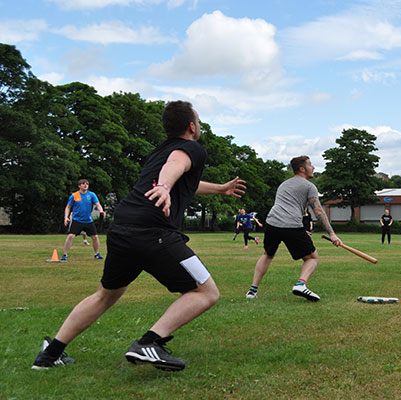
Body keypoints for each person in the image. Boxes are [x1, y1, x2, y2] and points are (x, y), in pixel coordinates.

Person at [31, 101, 246, 372]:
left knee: (105, 295)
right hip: (152, 231)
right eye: (199, 120)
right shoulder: (191, 149)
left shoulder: (160, 151)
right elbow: (176, 165)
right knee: (206, 292)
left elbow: (182, 176)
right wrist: (165, 187)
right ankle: (150, 343)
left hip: (122, 229)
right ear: (192, 126)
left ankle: (49, 355)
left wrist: (220, 189)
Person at [245, 156, 342, 302]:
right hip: (291, 224)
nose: (313, 167)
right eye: (310, 165)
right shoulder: (309, 187)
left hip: (272, 222)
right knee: (312, 258)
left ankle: (252, 291)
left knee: (267, 254)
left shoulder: (283, 184)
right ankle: (301, 285)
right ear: (302, 169)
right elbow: (319, 212)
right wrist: (332, 234)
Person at [62, 179, 106, 262]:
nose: (85, 185)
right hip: (77, 220)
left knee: (95, 237)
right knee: (71, 236)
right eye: (83, 184)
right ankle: (65, 255)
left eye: (87, 184)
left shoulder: (92, 195)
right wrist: (66, 217)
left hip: (88, 220)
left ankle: (97, 254)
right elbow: (68, 207)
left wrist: (101, 210)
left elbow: (97, 204)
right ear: (79, 186)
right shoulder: (74, 196)